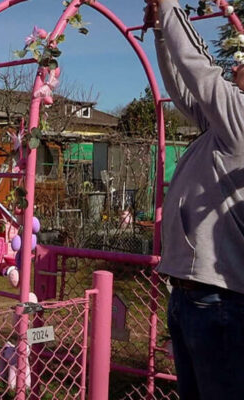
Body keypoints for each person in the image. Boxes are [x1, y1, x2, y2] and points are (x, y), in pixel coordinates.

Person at [146, 1, 244, 398]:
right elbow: (185, 90)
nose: (238, 61)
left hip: (218, 300)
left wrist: (169, 4)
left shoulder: (240, 120)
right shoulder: (223, 128)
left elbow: (200, 72)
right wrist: (158, 33)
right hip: (191, 296)